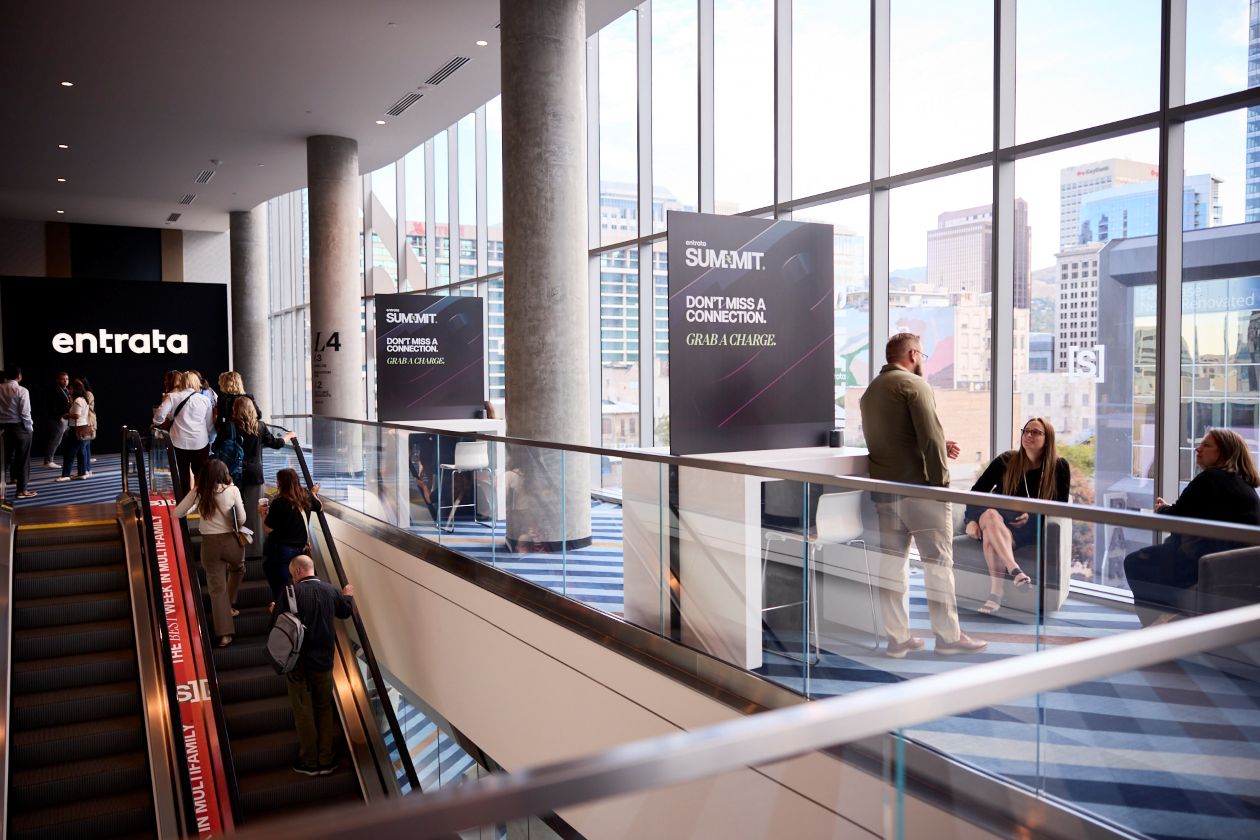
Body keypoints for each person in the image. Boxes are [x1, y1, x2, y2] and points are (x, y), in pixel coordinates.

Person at [859, 332, 987, 657]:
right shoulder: (915, 386)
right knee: (938, 565)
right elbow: (930, 438)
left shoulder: (870, 392)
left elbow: (895, 440)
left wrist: (938, 447)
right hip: (920, 493)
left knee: (892, 566)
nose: (922, 363)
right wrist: (942, 487)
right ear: (913, 354)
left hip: (885, 493)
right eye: (923, 356)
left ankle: (897, 638)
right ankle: (947, 637)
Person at [1124, 428, 1260, 626]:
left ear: (1223, 452)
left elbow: (1176, 517)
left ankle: (1158, 625)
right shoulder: (1242, 485)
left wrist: (1161, 510)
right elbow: (1195, 512)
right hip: (1236, 565)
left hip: (1208, 563)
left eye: (1206, 445)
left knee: (1135, 562)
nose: (1198, 449)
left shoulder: (1210, 479)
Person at [963, 417, 1072, 615]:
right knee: (989, 515)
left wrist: (1031, 516)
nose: (1028, 435)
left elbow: (1060, 508)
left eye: (1036, 432)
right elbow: (976, 493)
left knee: (990, 532)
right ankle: (1015, 571)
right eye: (1026, 430)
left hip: (1031, 527)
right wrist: (970, 520)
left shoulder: (1059, 467)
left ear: (1047, 439)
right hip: (999, 521)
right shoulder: (1006, 460)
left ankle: (996, 594)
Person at [282, 553, 353, 776]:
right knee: (323, 708)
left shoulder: (290, 593)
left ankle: (309, 761)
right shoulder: (330, 590)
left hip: (298, 663)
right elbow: (345, 611)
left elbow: (276, 625)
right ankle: (326, 758)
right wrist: (348, 596)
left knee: (303, 710)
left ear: (296, 572)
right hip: (324, 661)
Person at [173, 459, 247, 646]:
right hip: (232, 542)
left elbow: (178, 513)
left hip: (210, 545)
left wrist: (195, 491)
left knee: (216, 588)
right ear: (224, 473)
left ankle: (224, 634)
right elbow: (242, 518)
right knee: (238, 569)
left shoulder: (201, 492)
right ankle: (229, 604)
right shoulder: (233, 490)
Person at [233, 397, 293, 562]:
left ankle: (236, 549)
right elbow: (276, 443)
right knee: (254, 512)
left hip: (233, 474)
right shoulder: (260, 426)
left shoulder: (230, 426)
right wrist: (289, 436)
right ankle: (254, 550)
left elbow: (217, 446)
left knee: (234, 511)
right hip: (254, 473)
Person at [261, 468, 322, 606]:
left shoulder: (279, 503)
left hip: (281, 551)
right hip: (301, 551)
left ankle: (282, 612)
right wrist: (313, 493)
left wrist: (262, 513)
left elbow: (267, 528)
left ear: (281, 483)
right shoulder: (306, 496)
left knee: (281, 588)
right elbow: (319, 506)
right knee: (300, 585)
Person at [153, 370, 214, 494]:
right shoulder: (204, 400)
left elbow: (158, 417)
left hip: (179, 442)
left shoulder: (173, 397)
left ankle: (184, 506)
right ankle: (203, 504)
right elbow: (209, 425)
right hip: (200, 443)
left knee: (183, 475)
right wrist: (211, 440)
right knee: (201, 475)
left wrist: (161, 421)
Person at [0, 367, 36, 498]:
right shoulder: (21, 390)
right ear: (18, 376)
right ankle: (21, 491)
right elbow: (25, 413)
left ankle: (11, 480)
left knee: (5, 458)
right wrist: (29, 428)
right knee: (23, 459)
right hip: (19, 428)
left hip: (3, 427)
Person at [55, 379, 91, 481]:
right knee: (80, 452)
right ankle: (82, 473)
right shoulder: (83, 399)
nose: (69, 390)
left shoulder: (78, 400)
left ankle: (66, 475)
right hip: (82, 427)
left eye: (70, 388)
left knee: (69, 453)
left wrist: (67, 415)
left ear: (75, 389)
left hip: (76, 428)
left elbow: (76, 415)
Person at [214, 370, 261, 441]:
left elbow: (219, 420)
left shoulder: (223, 399)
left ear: (225, 384)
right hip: (249, 434)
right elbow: (259, 415)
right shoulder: (248, 397)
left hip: (231, 435)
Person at [41, 371, 69, 468]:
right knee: (55, 440)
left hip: (67, 419)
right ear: (57, 380)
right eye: (63, 379)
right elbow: (51, 407)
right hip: (58, 420)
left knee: (69, 439)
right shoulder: (54, 390)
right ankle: (48, 461)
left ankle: (78, 456)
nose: (65, 381)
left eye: (67, 379)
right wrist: (59, 417)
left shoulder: (66, 390)